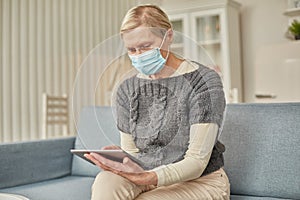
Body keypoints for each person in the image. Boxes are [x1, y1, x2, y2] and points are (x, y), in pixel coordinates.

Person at [85, 4, 230, 200]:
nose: (139, 55)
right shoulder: (126, 89)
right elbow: (133, 153)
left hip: (200, 182)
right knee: (106, 181)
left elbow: (197, 162)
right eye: (132, 49)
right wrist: (122, 159)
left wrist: (148, 177)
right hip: (146, 177)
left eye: (145, 46)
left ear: (168, 36)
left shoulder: (203, 81)